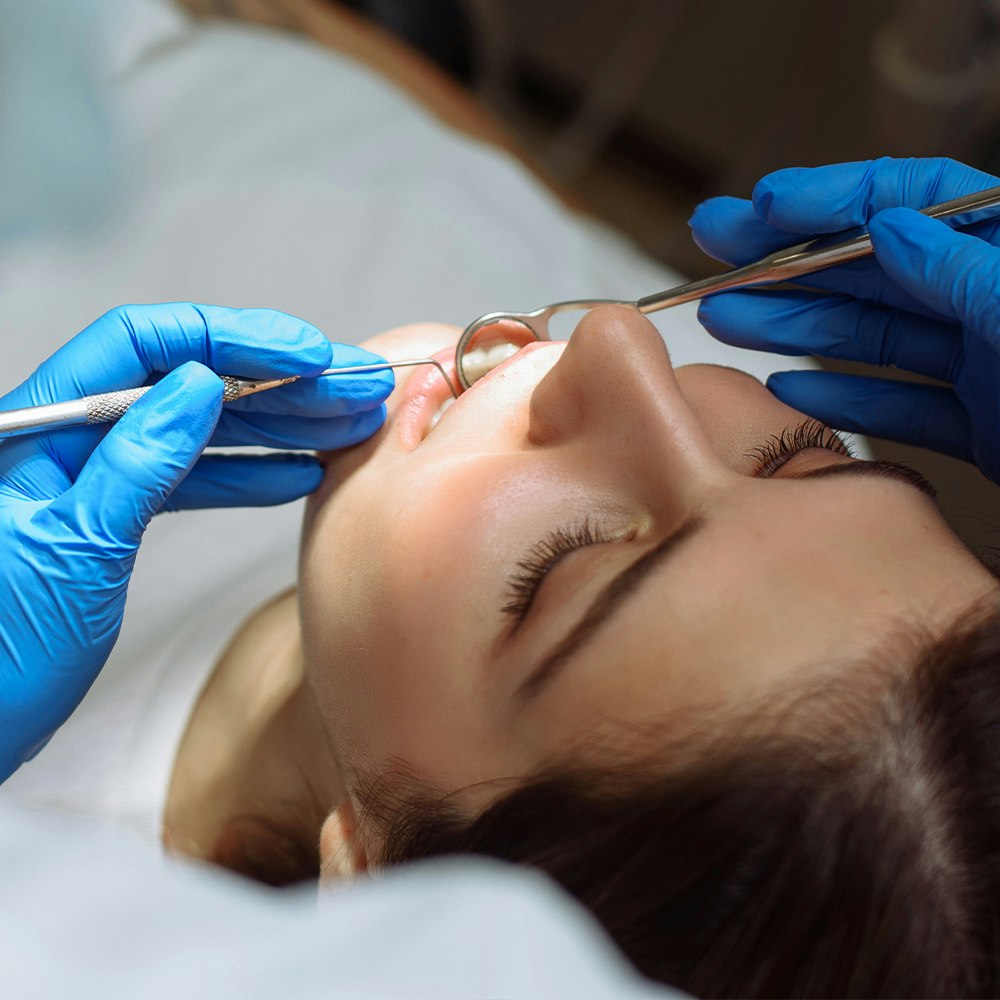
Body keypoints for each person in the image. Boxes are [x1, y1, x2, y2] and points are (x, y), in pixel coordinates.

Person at [9, 154, 1000, 998]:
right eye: (803, 456)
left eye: (564, 566)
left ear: (376, 883)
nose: (622, 341)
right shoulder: (440, 215)